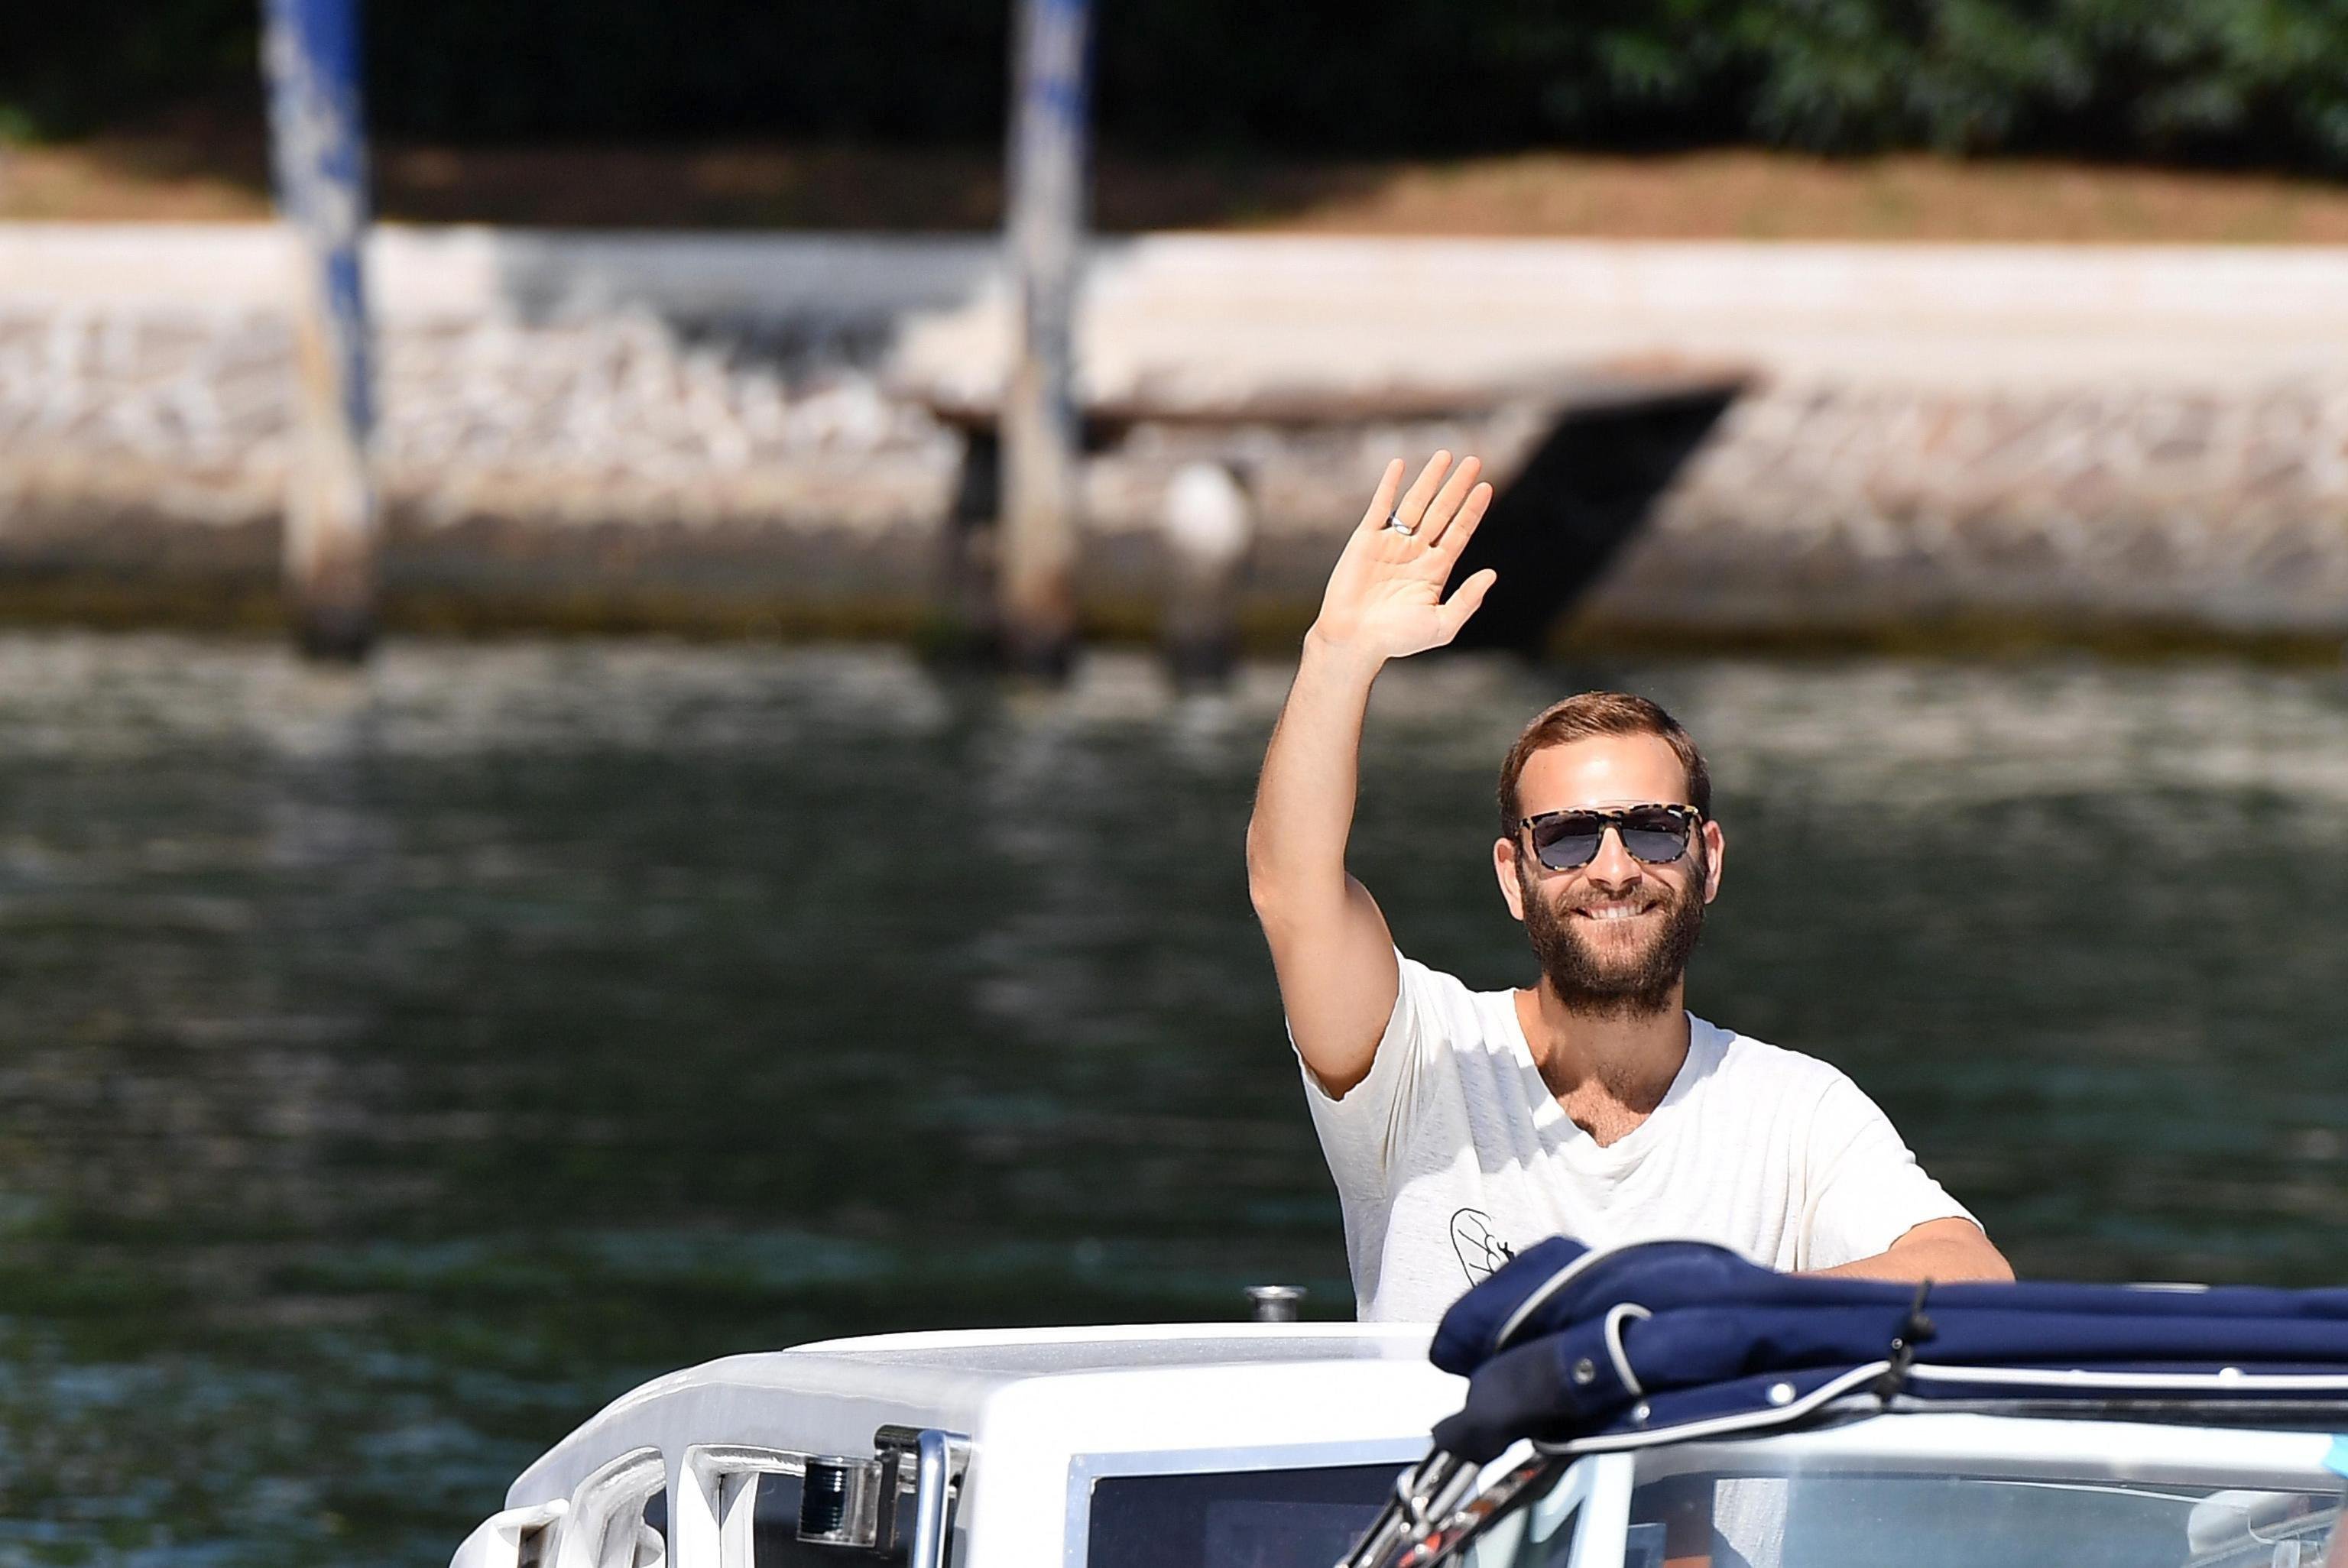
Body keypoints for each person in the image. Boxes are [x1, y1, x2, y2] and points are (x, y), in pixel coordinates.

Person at [1246, 452, 2012, 1322]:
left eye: (1652, 829)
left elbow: (1970, 1275)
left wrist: (1710, 1303)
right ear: (1513, 873)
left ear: (1709, 858)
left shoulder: (1791, 1110)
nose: (1614, 868)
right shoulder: (1421, 1061)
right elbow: (1291, 888)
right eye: (1567, 836)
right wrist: (1338, 655)